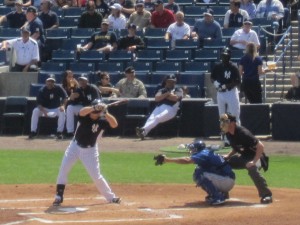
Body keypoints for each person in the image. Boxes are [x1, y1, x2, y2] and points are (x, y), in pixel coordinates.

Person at [52, 99, 121, 206]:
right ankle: (58, 196)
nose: (95, 113)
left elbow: (115, 124)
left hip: (90, 150)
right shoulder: (84, 116)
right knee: (64, 169)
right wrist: (94, 108)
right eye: (94, 110)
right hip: (74, 146)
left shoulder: (102, 121)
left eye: (97, 112)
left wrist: (105, 113)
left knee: (96, 176)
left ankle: (111, 197)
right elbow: (82, 111)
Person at [154, 140, 235, 205]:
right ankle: (222, 193)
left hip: (226, 180)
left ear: (197, 149)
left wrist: (167, 159)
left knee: (199, 173)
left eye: (192, 149)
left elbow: (187, 160)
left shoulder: (203, 154)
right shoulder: (206, 152)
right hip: (227, 179)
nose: (191, 151)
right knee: (201, 170)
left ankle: (217, 197)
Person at [220, 113, 272, 204]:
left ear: (233, 123)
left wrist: (253, 161)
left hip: (257, 156)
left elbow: (260, 146)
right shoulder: (228, 133)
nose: (224, 124)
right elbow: (237, 147)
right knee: (222, 163)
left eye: (226, 121)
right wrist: (228, 156)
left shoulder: (243, 133)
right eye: (223, 121)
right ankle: (223, 192)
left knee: (251, 168)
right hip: (244, 157)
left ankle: (266, 195)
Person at [136, 74, 182, 140]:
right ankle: (143, 133)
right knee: (151, 118)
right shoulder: (162, 89)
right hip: (159, 107)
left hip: (171, 109)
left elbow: (175, 98)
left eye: (172, 81)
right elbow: (157, 98)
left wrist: (163, 96)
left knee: (158, 117)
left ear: (175, 82)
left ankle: (143, 129)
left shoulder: (178, 89)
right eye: (169, 81)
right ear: (166, 81)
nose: (170, 83)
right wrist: (168, 94)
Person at [28, 75, 68, 139]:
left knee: (62, 111)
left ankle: (59, 132)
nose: (50, 83)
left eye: (52, 81)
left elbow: (65, 97)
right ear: (46, 82)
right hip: (44, 108)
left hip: (55, 108)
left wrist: (63, 106)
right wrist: (44, 111)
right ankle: (33, 131)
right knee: (35, 111)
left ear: (54, 82)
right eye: (49, 81)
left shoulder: (58, 88)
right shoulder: (42, 90)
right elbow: (38, 103)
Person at [210, 47, 241, 125]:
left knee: (234, 114)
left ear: (229, 56)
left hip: (231, 92)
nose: (224, 57)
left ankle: (236, 134)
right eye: (223, 55)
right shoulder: (218, 66)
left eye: (226, 56)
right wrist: (216, 83)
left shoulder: (233, 67)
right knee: (222, 116)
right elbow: (212, 77)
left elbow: (238, 81)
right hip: (220, 93)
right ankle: (224, 135)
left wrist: (226, 86)